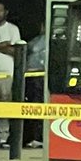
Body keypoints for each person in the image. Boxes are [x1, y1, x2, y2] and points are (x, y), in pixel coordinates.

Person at [0, 2, 23, 148]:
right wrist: (4, 45)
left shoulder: (13, 29)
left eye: (0, 11)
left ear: (6, 12)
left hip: (6, 74)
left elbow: (16, 50)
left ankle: (3, 138)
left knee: (4, 106)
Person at [24, 20, 47, 148]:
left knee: (40, 105)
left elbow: (33, 48)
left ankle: (40, 137)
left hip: (41, 76)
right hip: (31, 76)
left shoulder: (46, 40)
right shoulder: (36, 39)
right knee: (32, 105)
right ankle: (35, 136)